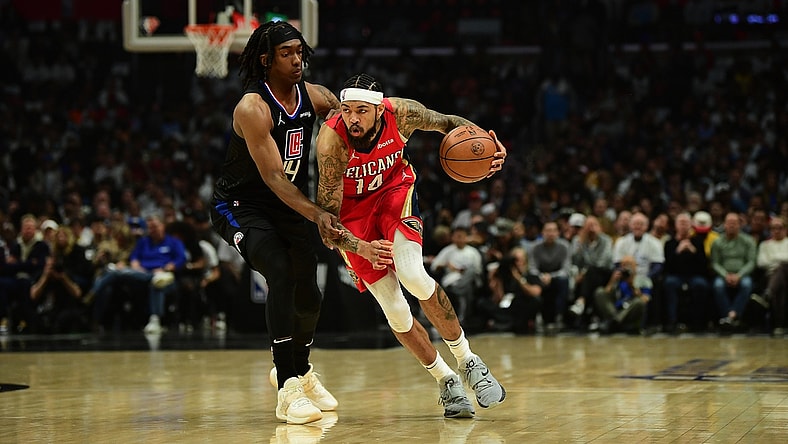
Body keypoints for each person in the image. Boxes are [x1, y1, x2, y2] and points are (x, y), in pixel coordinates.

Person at [314, 73, 507, 418]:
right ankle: (445, 380)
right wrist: (361, 247)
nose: (353, 118)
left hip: (393, 193)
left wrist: (488, 145)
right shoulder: (331, 142)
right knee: (396, 311)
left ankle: (467, 361)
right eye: (346, 110)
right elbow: (326, 224)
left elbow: (449, 123)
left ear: (378, 108)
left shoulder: (402, 113)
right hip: (351, 217)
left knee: (414, 275)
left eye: (361, 110)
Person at [208, 21, 354, 425]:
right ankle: (287, 387)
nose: (297, 60)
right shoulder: (252, 107)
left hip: (290, 205)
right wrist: (319, 213)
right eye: (287, 53)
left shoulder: (315, 96)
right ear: (266, 59)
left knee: (309, 288)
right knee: (278, 268)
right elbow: (273, 178)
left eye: (299, 51)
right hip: (242, 205)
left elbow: (354, 127)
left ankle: (302, 369)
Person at [662, 212, 711, 333]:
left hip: (694, 276)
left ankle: (697, 323)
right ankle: (672, 321)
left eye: (686, 223)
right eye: (681, 223)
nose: (683, 226)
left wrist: (693, 251)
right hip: (676, 276)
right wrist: (677, 251)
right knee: (669, 283)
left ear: (691, 225)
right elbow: (667, 267)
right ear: (676, 225)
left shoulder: (698, 242)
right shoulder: (669, 243)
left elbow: (704, 266)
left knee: (701, 284)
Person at [710, 212, 757, 330]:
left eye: (734, 223)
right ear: (724, 225)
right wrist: (725, 275)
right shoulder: (717, 242)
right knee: (718, 286)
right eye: (729, 223)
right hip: (723, 275)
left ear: (739, 225)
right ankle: (730, 318)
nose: (731, 226)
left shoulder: (748, 241)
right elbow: (715, 263)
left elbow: (751, 262)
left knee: (747, 285)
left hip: (742, 274)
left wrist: (739, 275)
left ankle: (731, 316)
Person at [430, 226, 484, 323]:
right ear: (453, 237)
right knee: (462, 290)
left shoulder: (473, 252)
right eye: (457, 236)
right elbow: (435, 266)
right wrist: (446, 265)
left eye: (461, 236)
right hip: (451, 280)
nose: (459, 239)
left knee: (470, 273)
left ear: (466, 237)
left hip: (467, 280)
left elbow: (478, 271)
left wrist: (463, 271)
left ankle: (464, 316)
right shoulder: (448, 251)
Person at [529, 220, 572, 332]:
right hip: (540, 278)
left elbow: (566, 269)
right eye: (548, 230)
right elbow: (532, 268)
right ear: (542, 233)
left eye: (553, 230)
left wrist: (551, 276)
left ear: (558, 233)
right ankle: (536, 318)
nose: (551, 233)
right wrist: (542, 276)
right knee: (531, 279)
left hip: (557, 278)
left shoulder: (564, 246)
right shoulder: (535, 247)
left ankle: (559, 317)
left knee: (564, 281)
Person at [592, 255, 651, 334]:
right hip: (614, 309)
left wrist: (632, 285)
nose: (626, 267)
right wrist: (612, 281)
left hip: (630, 312)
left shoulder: (643, 280)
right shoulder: (618, 278)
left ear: (635, 265)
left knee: (639, 302)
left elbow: (645, 299)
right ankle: (615, 320)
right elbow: (606, 293)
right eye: (623, 264)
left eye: (629, 264)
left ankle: (615, 321)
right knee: (599, 291)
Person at [756, 216, 788, 335]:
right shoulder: (764, 245)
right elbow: (760, 262)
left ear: (785, 229)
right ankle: (780, 325)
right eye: (773, 228)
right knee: (780, 284)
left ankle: (767, 294)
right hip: (769, 276)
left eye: (779, 228)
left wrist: (775, 261)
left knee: (782, 269)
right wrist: (781, 262)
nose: (776, 231)